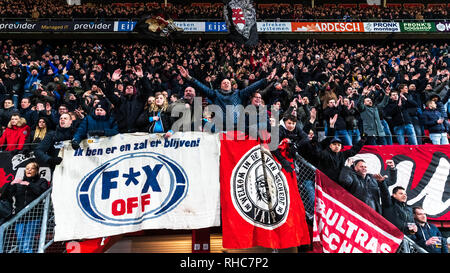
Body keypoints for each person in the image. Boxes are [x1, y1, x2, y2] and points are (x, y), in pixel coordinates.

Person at [178, 65, 277, 131]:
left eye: (228, 82)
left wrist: (266, 80)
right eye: (224, 82)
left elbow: (252, 87)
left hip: (237, 126)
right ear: (220, 85)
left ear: (231, 85)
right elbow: (201, 86)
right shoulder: (215, 94)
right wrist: (188, 77)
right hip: (220, 127)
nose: (226, 83)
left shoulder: (239, 93)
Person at [2, 161, 49, 253]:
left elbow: (41, 192)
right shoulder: (19, 183)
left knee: (27, 243)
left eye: (32, 168)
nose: (29, 170)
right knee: (20, 242)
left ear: (37, 171)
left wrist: (28, 184)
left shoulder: (41, 181)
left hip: (33, 217)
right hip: (20, 218)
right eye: (27, 168)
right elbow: (5, 196)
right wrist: (10, 184)